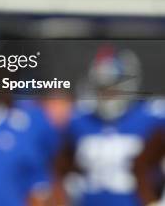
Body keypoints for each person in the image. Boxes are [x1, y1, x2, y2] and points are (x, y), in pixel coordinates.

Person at [53, 46, 163, 205]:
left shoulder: (150, 118)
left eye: (113, 87)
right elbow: (60, 168)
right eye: (102, 87)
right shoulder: (80, 121)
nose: (108, 93)